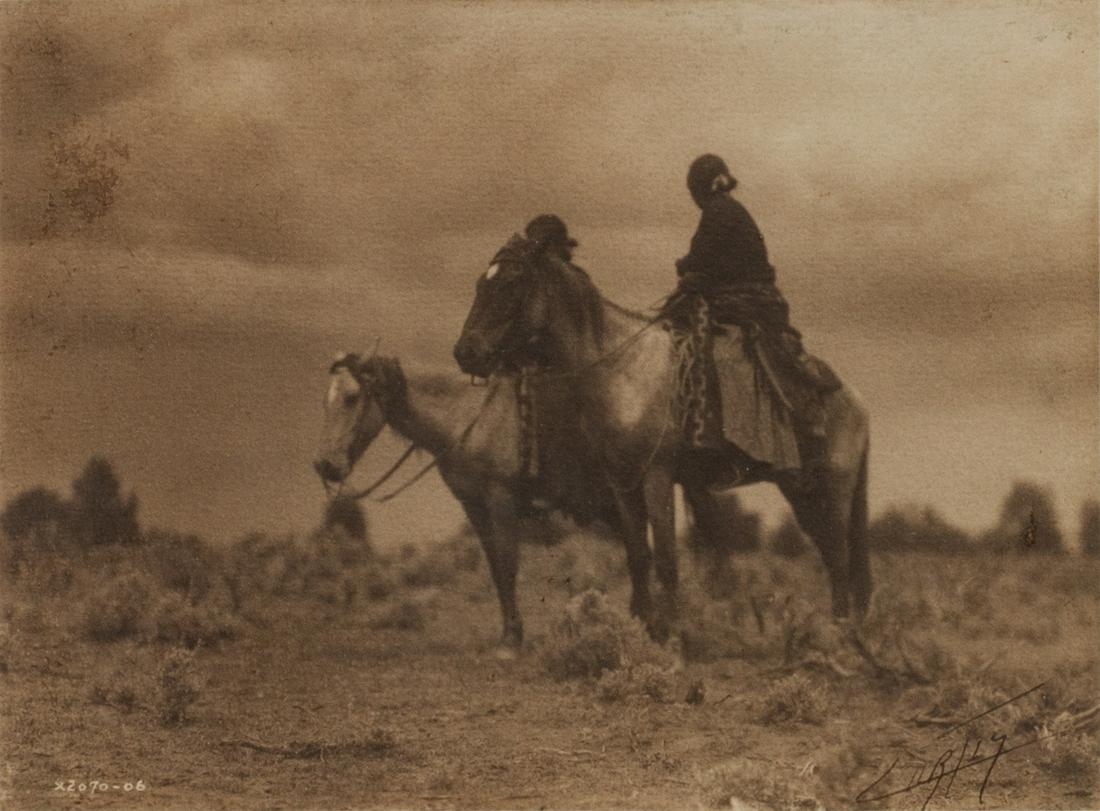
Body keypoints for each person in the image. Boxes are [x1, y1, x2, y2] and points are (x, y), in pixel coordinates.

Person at [673, 154, 839, 439]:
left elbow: (703, 256)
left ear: (702, 188)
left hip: (747, 297)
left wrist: (685, 266)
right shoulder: (725, 209)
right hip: (736, 293)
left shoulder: (719, 212)